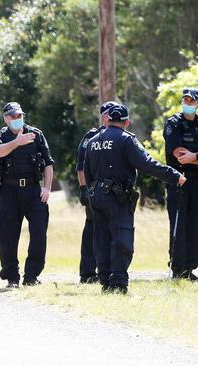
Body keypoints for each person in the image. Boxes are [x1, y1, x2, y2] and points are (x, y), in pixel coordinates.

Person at [84, 103, 186, 294]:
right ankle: (119, 282)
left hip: (95, 196)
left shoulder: (93, 141)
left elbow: (87, 172)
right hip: (117, 197)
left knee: (101, 238)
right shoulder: (126, 140)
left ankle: (105, 281)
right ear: (126, 122)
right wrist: (174, 175)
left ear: (108, 120)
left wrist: (92, 191)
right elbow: (147, 164)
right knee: (122, 236)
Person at [0, 102, 54, 288]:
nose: (18, 119)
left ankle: (31, 276)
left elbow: (48, 163)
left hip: (34, 191)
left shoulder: (36, 134)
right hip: (10, 191)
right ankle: (12, 277)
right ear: (6, 118)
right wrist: (16, 142)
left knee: (39, 233)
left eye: (20, 116)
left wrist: (47, 188)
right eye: (13, 116)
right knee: (7, 234)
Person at [163, 87, 198, 282]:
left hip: (196, 180)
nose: (187, 104)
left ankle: (189, 268)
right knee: (179, 223)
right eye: (185, 100)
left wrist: (195, 156)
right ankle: (177, 268)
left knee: (196, 222)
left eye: (191, 101)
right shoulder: (173, 123)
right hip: (178, 179)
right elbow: (179, 154)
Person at [75, 101, 118, 284]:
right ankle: (87, 273)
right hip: (95, 192)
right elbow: (81, 167)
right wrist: (84, 189)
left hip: (116, 192)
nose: (110, 117)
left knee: (114, 231)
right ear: (103, 116)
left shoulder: (121, 136)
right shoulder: (92, 136)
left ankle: (110, 271)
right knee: (92, 230)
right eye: (108, 113)